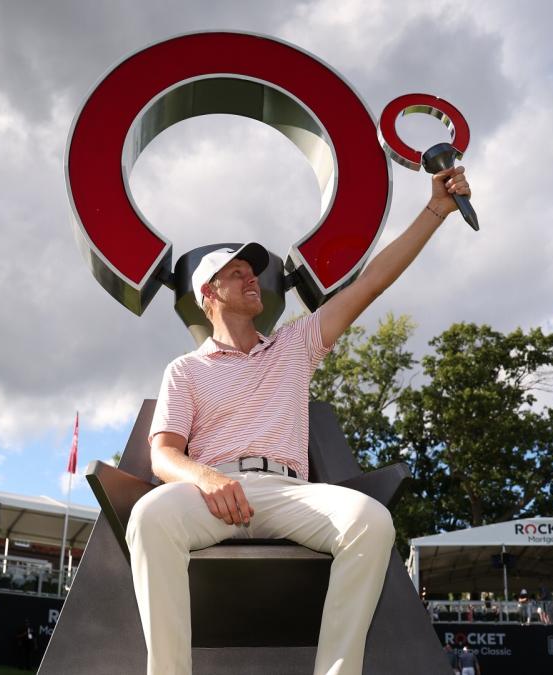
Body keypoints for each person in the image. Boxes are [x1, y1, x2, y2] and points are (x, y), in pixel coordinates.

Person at [126, 166, 472, 675]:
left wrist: (435, 211)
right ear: (209, 294)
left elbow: (371, 283)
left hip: (288, 492)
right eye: (238, 274)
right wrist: (206, 476)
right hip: (213, 491)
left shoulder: (295, 344)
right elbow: (163, 454)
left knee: (370, 522)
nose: (252, 279)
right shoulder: (186, 369)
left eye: (253, 272)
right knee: (149, 517)